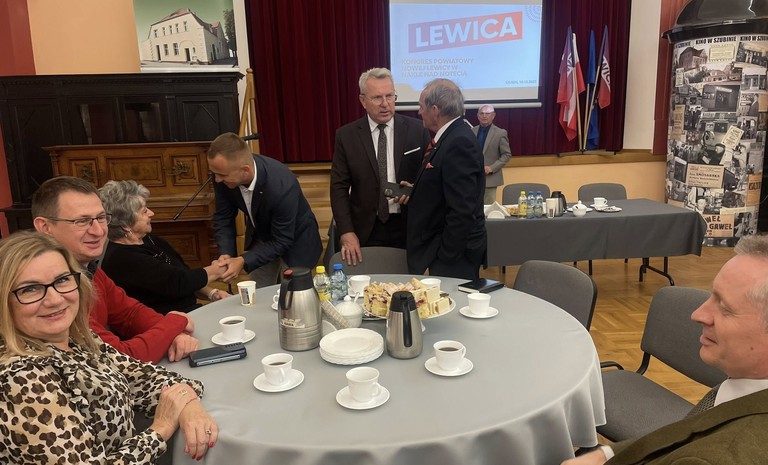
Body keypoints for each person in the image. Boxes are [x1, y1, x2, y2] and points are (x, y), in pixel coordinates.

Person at [0, 231, 217, 463]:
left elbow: (140, 376)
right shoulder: (19, 377)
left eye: (62, 280)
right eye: (30, 289)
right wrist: (161, 428)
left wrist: (186, 399)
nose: (55, 299)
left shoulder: (76, 338)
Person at [563, 234, 768, 465]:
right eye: (712, 296)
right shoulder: (745, 383)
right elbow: (685, 433)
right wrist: (606, 454)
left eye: (725, 308)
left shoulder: (714, 457)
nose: (697, 314)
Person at [32, 176, 198, 363]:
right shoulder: (52, 292)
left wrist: (175, 333)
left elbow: (130, 314)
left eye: (101, 218)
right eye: (82, 221)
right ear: (45, 227)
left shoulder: (89, 269)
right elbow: (122, 359)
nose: (99, 231)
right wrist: (175, 322)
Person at [330, 67, 431, 265]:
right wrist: (346, 231)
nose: (385, 104)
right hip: (366, 228)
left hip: (408, 225)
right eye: (377, 98)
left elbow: (430, 178)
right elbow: (338, 187)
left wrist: (415, 189)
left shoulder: (417, 130)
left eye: (390, 96)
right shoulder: (347, 136)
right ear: (363, 101)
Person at [207, 132, 322, 287]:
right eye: (214, 174)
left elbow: (282, 240)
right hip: (262, 236)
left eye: (221, 175)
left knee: (291, 295)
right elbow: (223, 217)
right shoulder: (222, 175)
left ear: (245, 170)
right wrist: (226, 255)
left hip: (296, 241)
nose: (217, 179)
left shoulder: (281, 185)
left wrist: (242, 260)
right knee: (259, 292)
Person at [98, 180, 230, 314]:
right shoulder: (123, 259)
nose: (151, 213)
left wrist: (212, 293)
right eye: (144, 211)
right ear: (126, 225)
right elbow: (179, 282)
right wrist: (221, 268)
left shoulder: (148, 239)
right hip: (164, 320)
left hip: (187, 312)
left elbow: (181, 273)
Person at [406, 78, 487, 280]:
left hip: (451, 257)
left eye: (421, 106)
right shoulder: (451, 136)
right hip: (444, 251)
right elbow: (446, 185)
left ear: (435, 110)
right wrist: (418, 189)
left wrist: (442, 258)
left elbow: (462, 210)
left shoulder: (458, 141)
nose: (419, 112)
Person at [471, 104, 512, 204]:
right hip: (472, 178)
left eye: (487, 113)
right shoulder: (472, 131)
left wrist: (492, 168)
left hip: (490, 179)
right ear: (478, 115)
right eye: (482, 113)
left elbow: (506, 155)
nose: (484, 116)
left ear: (493, 115)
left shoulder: (500, 133)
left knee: (488, 209)